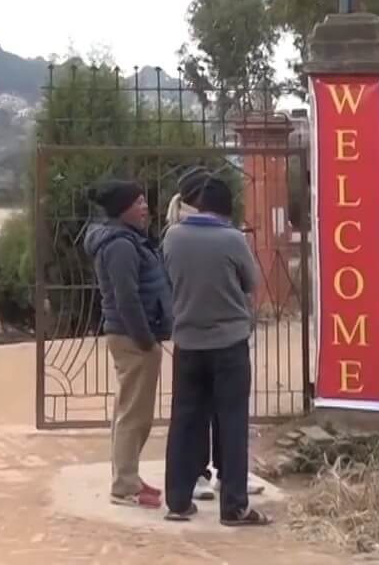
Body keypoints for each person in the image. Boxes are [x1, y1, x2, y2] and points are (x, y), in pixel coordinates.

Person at [161, 172, 270, 526]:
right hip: (229, 345)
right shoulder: (232, 239)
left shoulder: (172, 237)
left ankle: (178, 502)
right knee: (232, 422)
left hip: (187, 343)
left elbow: (170, 280)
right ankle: (234, 507)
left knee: (185, 421)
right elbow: (251, 282)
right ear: (224, 209)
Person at [81, 178, 171, 509]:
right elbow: (126, 297)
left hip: (131, 336)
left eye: (145, 200)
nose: (145, 207)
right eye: (138, 202)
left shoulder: (127, 240)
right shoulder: (120, 245)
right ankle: (125, 485)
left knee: (129, 412)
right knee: (134, 415)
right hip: (133, 337)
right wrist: (146, 339)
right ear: (123, 209)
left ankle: (127, 477)